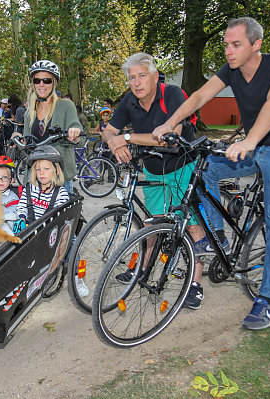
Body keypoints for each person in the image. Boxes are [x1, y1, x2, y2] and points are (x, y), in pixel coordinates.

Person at [151, 17, 270, 330]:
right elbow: (197, 97)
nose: (229, 50)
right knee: (205, 165)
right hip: (253, 148)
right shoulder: (231, 71)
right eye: (225, 44)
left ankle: (267, 303)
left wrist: (249, 141)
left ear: (256, 44)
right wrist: (170, 123)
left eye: (236, 44)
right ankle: (217, 238)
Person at [100, 52, 204, 309]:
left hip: (182, 164)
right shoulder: (129, 101)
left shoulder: (173, 95)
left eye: (141, 76)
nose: (136, 83)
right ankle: (143, 270)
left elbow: (169, 135)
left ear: (155, 76)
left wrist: (125, 138)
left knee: (188, 223)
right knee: (153, 223)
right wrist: (113, 141)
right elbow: (107, 132)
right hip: (154, 169)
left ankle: (196, 283)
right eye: (131, 78)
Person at [12, 60, 82, 194]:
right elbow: (27, 142)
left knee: (62, 215)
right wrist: (18, 137)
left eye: (46, 80)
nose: (41, 84)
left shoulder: (66, 105)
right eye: (37, 80)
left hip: (59, 177)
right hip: (35, 177)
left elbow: (76, 127)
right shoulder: (29, 113)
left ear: (54, 83)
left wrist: (75, 133)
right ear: (33, 84)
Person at [16, 145, 69, 224]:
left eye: (46, 169)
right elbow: (21, 206)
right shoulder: (30, 189)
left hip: (49, 229)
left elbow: (59, 216)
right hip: (29, 228)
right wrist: (22, 218)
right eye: (38, 169)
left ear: (56, 171)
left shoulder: (61, 194)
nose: (42, 173)